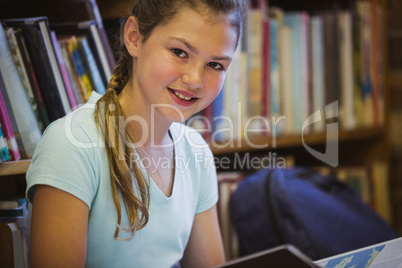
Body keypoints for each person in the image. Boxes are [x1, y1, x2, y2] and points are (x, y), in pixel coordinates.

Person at [26, 0, 246, 267]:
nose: (195, 79)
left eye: (215, 65)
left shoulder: (196, 151)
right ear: (134, 38)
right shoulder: (72, 144)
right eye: (179, 51)